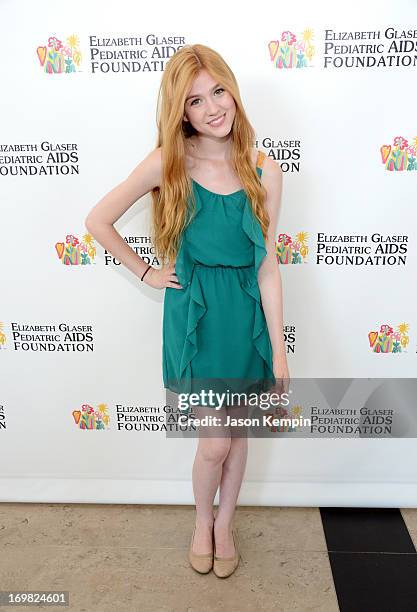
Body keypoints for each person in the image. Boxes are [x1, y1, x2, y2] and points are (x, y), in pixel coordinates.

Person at [85, 43, 289, 578]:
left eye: (218, 90)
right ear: (182, 112)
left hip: (245, 318)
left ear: (233, 91)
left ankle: (225, 525)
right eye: (196, 101)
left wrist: (282, 352)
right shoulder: (167, 163)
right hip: (196, 318)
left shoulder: (265, 171)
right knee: (214, 441)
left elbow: (267, 267)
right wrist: (147, 271)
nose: (213, 107)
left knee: (237, 434)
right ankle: (202, 521)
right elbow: (98, 220)